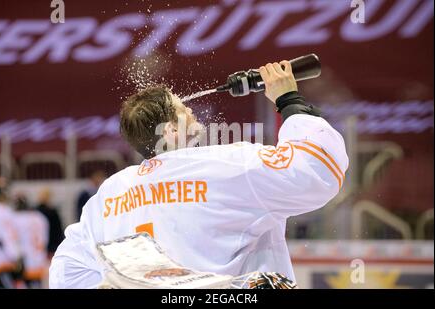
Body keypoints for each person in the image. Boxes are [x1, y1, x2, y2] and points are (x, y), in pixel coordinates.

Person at [49, 61, 348, 288]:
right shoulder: (228, 164)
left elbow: (66, 270)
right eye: (182, 108)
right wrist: (289, 101)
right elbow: (317, 169)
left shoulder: (109, 193)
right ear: (170, 130)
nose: (191, 111)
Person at [14, 194, 49, 288]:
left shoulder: (15, 218)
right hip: (38, 261)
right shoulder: (40, 217)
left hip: (23, 264)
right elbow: (45, 241)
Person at [35, 188, 64, 257]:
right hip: (51, 244)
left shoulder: (35, 212)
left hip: (40, 245)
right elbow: (58, 230)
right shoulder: (52, 212)